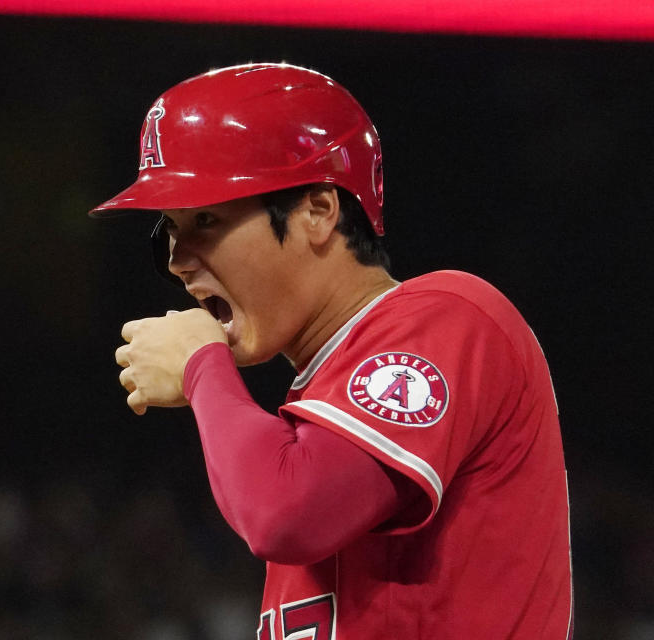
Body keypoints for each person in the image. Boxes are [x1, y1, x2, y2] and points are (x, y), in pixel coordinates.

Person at [91, 63, 573, 639]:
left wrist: (201, 368)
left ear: (318, 212)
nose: (176, 257)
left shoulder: (450, 313)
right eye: (169, 228)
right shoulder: (318, 399)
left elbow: (287, 515)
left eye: (207, 219)